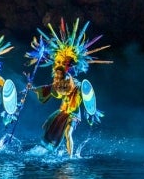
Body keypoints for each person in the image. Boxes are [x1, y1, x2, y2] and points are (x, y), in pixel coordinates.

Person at [26, 18, 111, 157]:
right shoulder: (59, 82)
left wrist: (91, 109)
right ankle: (56, 152)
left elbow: (84, 95)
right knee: (50, 131)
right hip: (62, 112)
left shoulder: (74, 84)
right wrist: (32, 88)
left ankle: (71, 157)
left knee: (68, 133)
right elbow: (48, 88)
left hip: (73, 114)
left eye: (62, 70)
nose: (58, 75)